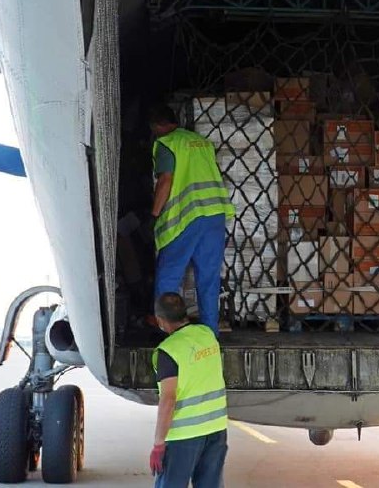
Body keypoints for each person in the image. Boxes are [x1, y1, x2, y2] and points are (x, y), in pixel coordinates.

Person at [149, 105, 234, 334]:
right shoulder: (202, 142)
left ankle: (167, 332)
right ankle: (210, 333)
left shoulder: (167, 144)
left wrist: (154, 215)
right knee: (208, 279)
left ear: (157, 126)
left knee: (169, 276)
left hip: (187, 218)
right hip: (215, 215)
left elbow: (166, 180)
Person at [150, 292, 228, 488]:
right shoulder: (207, 334)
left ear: (160, 320)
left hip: (184, 436)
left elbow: (168, 400)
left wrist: (158, 444)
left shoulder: (169, 351)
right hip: (216, 429)